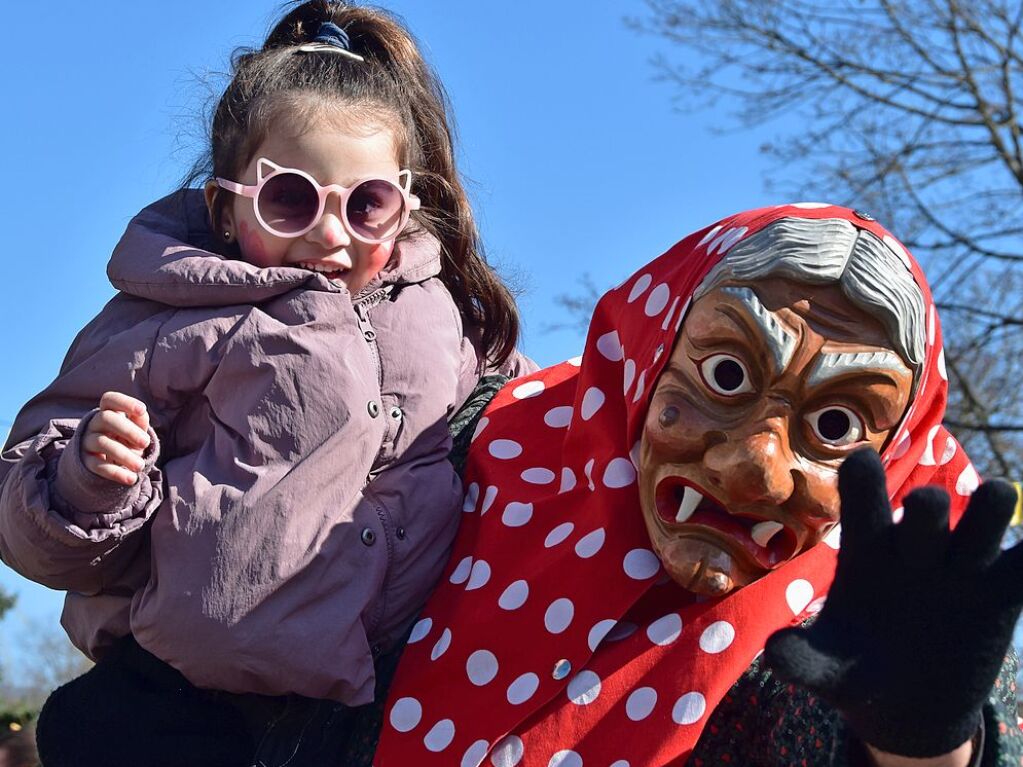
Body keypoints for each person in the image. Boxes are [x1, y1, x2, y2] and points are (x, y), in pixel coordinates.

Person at [0, 2, 532, 765]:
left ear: (404, 208)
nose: (330, 231)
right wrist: (88, 478)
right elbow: (30, 495)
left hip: (385, 681)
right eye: (291, 198)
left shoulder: (442, 317)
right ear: (225, 205)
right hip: (191, 691)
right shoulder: (177, 314)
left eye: (366, 204)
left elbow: (527, 414)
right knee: (95, 731)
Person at [373, 205, 1023, 766]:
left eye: (834, 424)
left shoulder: (861, 615)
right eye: (725, 374)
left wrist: (918, 740)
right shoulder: (475, 448)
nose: (755, 466)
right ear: (651, 354)